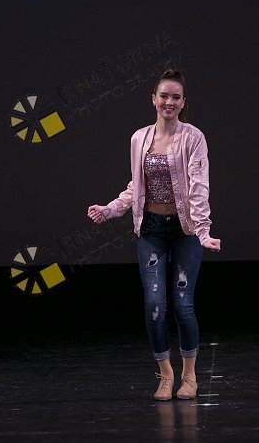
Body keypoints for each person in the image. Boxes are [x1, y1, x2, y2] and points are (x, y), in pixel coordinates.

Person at [87, 69, 221, 402]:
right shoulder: (139, 139)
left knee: (183, 304)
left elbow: (199, 186)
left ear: (183, 102)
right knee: (155, 305)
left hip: (186, 230)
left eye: (176, 97)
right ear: (153, 99)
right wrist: (110, 209)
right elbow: (136, 187)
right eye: (164, 96)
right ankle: (165, 375)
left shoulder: (193, 138)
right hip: (151, 229)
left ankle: (189, 376)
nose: (169, 102)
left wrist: (203, 231)